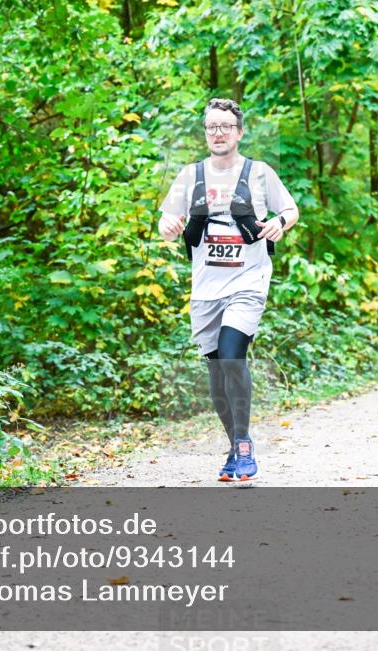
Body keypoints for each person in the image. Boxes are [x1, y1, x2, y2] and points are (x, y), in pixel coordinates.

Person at [158, 98, 299, 481]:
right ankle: (233, 447)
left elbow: (290, 210)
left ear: (239, 132)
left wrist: (280, 223)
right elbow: (167, 221)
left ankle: (244, 444)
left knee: (233, 356)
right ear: (205, 132)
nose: (217, 133)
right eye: (211, 127)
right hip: (206, 290)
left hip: (248, 283)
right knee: (217, 369)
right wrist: (168, 226)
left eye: (225, 126)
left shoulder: (260, 172)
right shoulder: (190, 175)